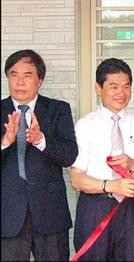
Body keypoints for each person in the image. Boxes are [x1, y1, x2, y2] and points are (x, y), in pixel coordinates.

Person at [70, 58, 134, 261]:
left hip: (130, 207)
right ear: (99, 88)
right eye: (113, 86)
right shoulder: (84, 126)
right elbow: (77, 180)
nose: (121, 93)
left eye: (126, 86)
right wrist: (112, 185)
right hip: (94, 207)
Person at [1, 49, 78, 261]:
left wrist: (40, 140)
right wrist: (5, 142)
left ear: (40, 80)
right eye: (14, 75)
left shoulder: (58, 109)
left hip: (50, 213)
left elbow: (70, 155)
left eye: (27, 75)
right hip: (8, 215)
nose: (19, 82)